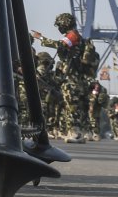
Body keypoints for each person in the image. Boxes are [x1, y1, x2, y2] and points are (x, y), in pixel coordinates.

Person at [33, 12, 88, 143]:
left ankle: (76, 133)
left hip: (72, 77)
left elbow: (60, 45)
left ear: (64, 24)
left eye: (60, 25)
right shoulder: (72, 36)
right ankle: (72, 132)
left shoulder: (73, 36)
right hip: (68, 76)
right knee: (68, 103)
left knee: (72, 104)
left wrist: (41, 38)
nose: (59, 28)